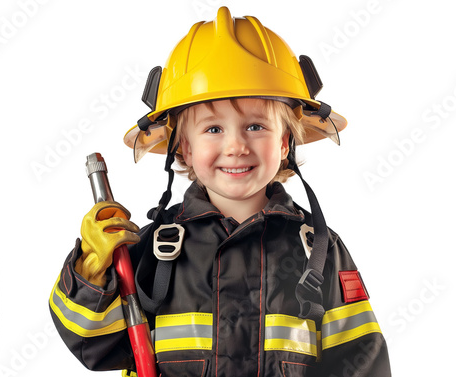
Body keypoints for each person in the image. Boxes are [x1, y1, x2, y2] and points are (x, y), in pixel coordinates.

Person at [49, 7, 391, 377]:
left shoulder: (320, 250)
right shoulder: (151, 251)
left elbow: (360, 361)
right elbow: (96, 347)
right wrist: (91, 272)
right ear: (185, 148)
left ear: (285, 143)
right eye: (213, 129)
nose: (236, 146)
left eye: (256, 126)